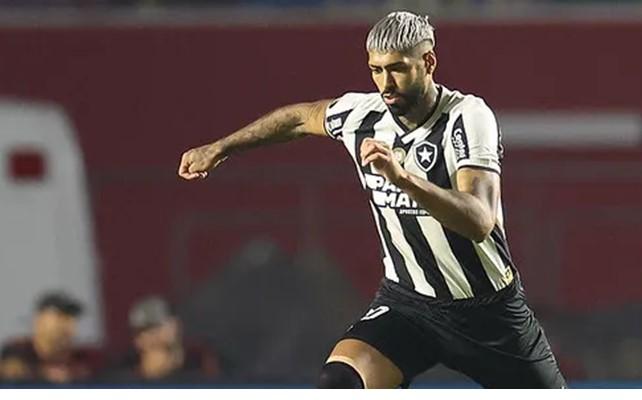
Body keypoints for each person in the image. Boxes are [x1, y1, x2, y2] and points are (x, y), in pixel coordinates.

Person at [177, 11, 566, 389]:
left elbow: (479, 220)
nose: (386, 83)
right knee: (340, 381)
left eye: (397, 68)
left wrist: (404, 179)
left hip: (487, 312)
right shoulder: (361, 116)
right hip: (408, 305)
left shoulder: (467, 116)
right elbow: (298, 118)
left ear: (428, 62)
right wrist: (222, 147)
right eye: (376, 70)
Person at [103, 296, 219, 384]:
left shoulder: (201, 374)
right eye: (148, 329)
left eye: (161, 323)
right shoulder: (120, 383)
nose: (157, 332)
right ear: (137, 340)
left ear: (175, 325)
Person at [0, 291, 99, 384]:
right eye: (59, 316)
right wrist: (42, 374)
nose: (66, 325)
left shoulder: (83, 358)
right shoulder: (19, 349)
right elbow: (12, 370)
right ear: (39, 320)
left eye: (71, 318)